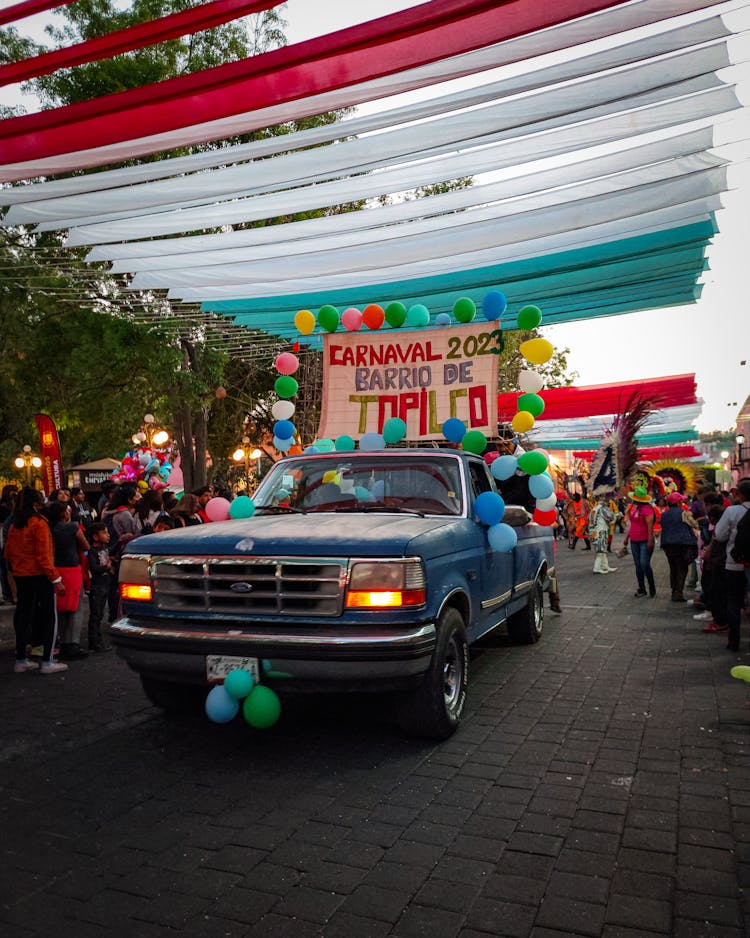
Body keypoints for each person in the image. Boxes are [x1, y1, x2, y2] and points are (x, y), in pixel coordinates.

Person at [3, 487, 68, 673]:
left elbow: (7, 553)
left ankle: (21, 658)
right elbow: (44, 556)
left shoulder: (15, 525)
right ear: (36, 504)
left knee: (24, 616)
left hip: (21, 575)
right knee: (49, 616)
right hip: (40, 575)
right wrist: (56, 579)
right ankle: (47, 660)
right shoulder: (39, 524)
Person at [45, 500, 90, 660]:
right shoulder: (72, 527)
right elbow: (86, 546)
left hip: (55, 569)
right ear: (64, 513)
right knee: (75, 608)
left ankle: (61, 642)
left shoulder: (49, 527)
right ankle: (72, 644)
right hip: (72, 568)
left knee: (60, 609)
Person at [713, 478, 750, 653]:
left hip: (734, 562)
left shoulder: (732, 511)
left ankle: (734, 640)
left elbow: (719, 535)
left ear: (739, 495)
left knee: (733, 601)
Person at [659, 491, 699, 602]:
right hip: (682, 544)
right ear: (678, 502)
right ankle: (678, 593)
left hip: (667, 544)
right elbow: (695, 524)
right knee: (682, 568)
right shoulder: (685, 513)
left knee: (673, 567)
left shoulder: (664, 515)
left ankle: (674, 591)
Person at [622, 485, 657, 598]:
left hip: (645, 540)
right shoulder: (634, 508)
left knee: (644, 563)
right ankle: (642, 588)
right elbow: (632, 525)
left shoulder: (648, 509)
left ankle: (651, 585)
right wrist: (627, 538)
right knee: (638, 565)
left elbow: (650, 526)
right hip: (634, 540)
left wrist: (650, 541)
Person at [86, 522, 112, 652]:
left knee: (100, 613)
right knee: (96, 614)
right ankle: (93, 641)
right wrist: (106, 567)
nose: (108, 535)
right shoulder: (91, 551)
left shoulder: (106, 549)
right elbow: (94, 568)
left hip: (105, 583)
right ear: (95, 537)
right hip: (96, 585)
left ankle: (97, 640)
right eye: (104, 533)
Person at [0, 483, 19, 603]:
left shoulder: (13, 509)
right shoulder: (5, 509)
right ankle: (10, 593)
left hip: (6, 541)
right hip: (5, 541)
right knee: (6, 568)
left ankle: (9, 594)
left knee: (6, 568)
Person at [590, 494, 617, 574]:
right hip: (601, 531)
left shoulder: (594, 509)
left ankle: (605, 566)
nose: (609, 501)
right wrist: (617, 516)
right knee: (600, 551)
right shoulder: (602, 509)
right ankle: (596, 568)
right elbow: (610, 518)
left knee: (602, 550)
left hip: (595, 532)